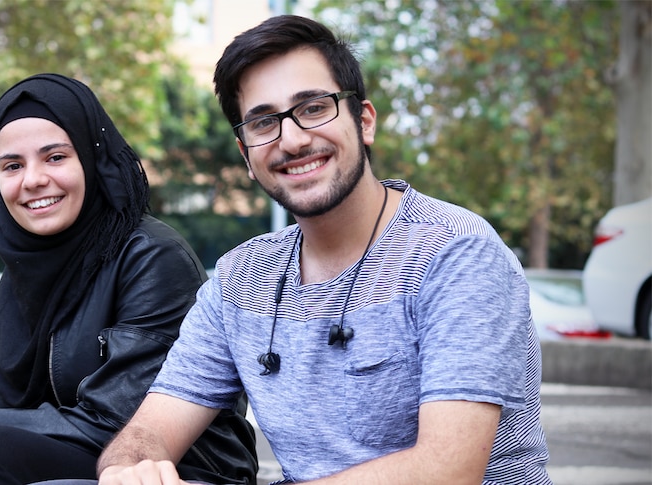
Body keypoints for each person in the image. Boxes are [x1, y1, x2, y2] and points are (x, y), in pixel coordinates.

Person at [96, 15, 552, 485]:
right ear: (245, 154)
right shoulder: (240, 278)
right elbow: (149, 429)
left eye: (313, 108)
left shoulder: (454, 250)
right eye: (263, 122)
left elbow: (448, 472)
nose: (292, 139)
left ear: (364, 121)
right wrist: (127, 470)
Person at [0, 73, 257, 485]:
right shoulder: (18, 281)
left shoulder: (150, 255)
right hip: (80, 450)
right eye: (12, 165)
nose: (32, 180)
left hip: (177, 466)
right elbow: (13, 410)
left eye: (55, 157)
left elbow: (125, 415)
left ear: (92, 158)